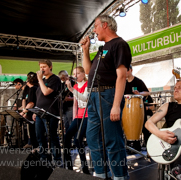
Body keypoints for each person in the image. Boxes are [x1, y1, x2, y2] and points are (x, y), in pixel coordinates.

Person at [81, 15, 131, 179]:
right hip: (94, 97)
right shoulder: (103, 48)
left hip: (108, 95)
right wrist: (85, 51)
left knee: (112, 139)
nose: (94, 31)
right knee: (93, 139)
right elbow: (88, 71)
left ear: (104, 25)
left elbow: (122, 76)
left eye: (95, 26)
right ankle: (101, 174)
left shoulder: (119, 44)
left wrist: (116, 105)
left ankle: (120, 176)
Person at [33, 59, 62, 166]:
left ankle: (57, 158)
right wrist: (35, 111)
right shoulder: (42, 80)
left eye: (44, 67)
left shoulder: (55, 79)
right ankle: (44, 157)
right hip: (40, 112)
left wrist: (40, 80)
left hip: (51, 113)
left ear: (50, 67)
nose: (42, 69)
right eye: (41, 67)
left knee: (52, 136)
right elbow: (39, 97)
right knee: (40, 136)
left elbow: (46, 92)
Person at [63, 66, 90, 174]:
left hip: (87, 115)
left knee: (78, 140)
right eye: (74, 74)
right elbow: (75, 104)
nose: (76, 76)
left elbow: (84, 98)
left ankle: (85, 167)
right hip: (78, 116)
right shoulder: (74, 86)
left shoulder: (88, 85)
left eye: (78, 73)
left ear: (83, 74)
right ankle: (68, 165)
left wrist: (71, 89)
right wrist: (74, 118)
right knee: (67, 137)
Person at [124, 65, 154, 153]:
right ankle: (130, 145)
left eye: (126, 71)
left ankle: (148, 147)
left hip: (138, 109)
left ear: (131, 70)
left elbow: (147, 92)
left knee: (144, 127)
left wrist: (139, 93)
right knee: (127, 126)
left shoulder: (138, 81)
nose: (125, 73)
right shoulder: (123, 82)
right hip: (127, 109)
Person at [20, 72, 39, 149]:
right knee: (30, 130)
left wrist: (24, 111)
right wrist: (24, 110)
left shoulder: (33, 89)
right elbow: (24, 99)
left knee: (33, 130)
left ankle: (35, 147)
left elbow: (31, 103)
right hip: (29, 112)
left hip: (33, 112)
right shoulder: (28, 89)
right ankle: (31, 144)